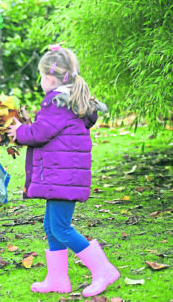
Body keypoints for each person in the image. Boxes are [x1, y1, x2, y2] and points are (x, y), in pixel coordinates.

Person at [8, 46, 119, 297]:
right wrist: (25, 128)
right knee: (52, 226)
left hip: (62, 176)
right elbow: (48, 130)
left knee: (60, 227)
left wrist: (19, 133)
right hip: (62, 175)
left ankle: (104, 270)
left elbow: (40, 133)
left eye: (40, 76)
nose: (40, 81)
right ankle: (57, 279)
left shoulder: (57, 102)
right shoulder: (69, 100)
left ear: (49, 78)